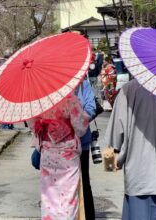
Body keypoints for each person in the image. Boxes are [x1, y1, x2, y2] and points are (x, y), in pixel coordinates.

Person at [104, 79, 156, 220]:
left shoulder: (129, 90)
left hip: (137, 167)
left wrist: (115, 160)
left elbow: (117, 131)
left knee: (135, 212)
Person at [28, 94, 90, 219]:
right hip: (67, 155)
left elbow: (33, 127)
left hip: (47, 153)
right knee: (68, 198)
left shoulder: (36, 101)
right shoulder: (69, 99)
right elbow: (80, 128)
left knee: (49, 197)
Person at [75, 79, 97, 219]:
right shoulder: (54, 85)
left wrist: (75, 121)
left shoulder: (84, 84)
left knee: (84, 181)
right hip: (59, 147)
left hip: (81, 142)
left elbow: (91, 107)